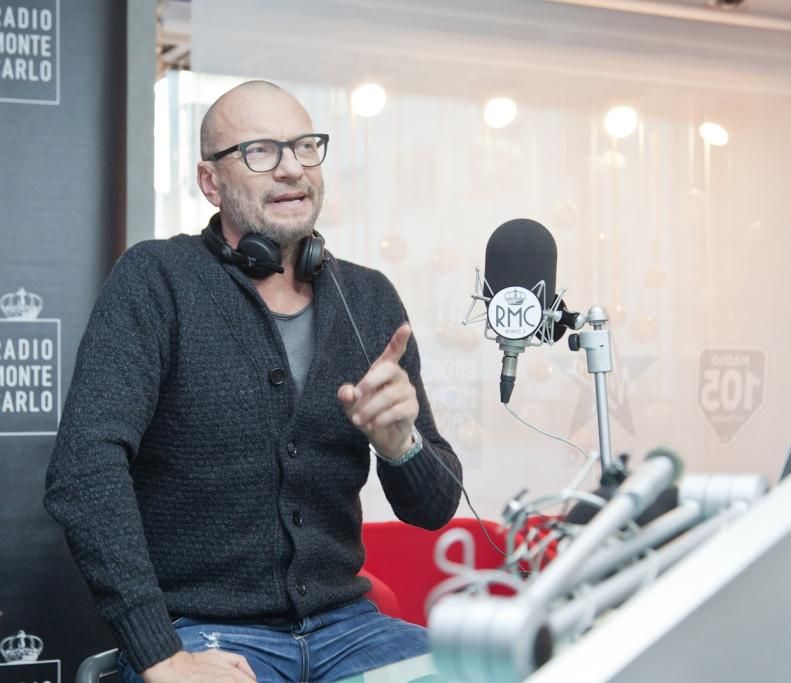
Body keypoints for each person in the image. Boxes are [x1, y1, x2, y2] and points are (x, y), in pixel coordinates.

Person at [44, 80, 463, 682]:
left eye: (304, 146)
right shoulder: (157, 278)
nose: (291, 168)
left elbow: (434, 508)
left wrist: (403, 446)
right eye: (260, 151)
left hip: (349, 628)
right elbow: (84, 470)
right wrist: (159, 653)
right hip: (201, 633)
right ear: (210, 182)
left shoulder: (369, 298)